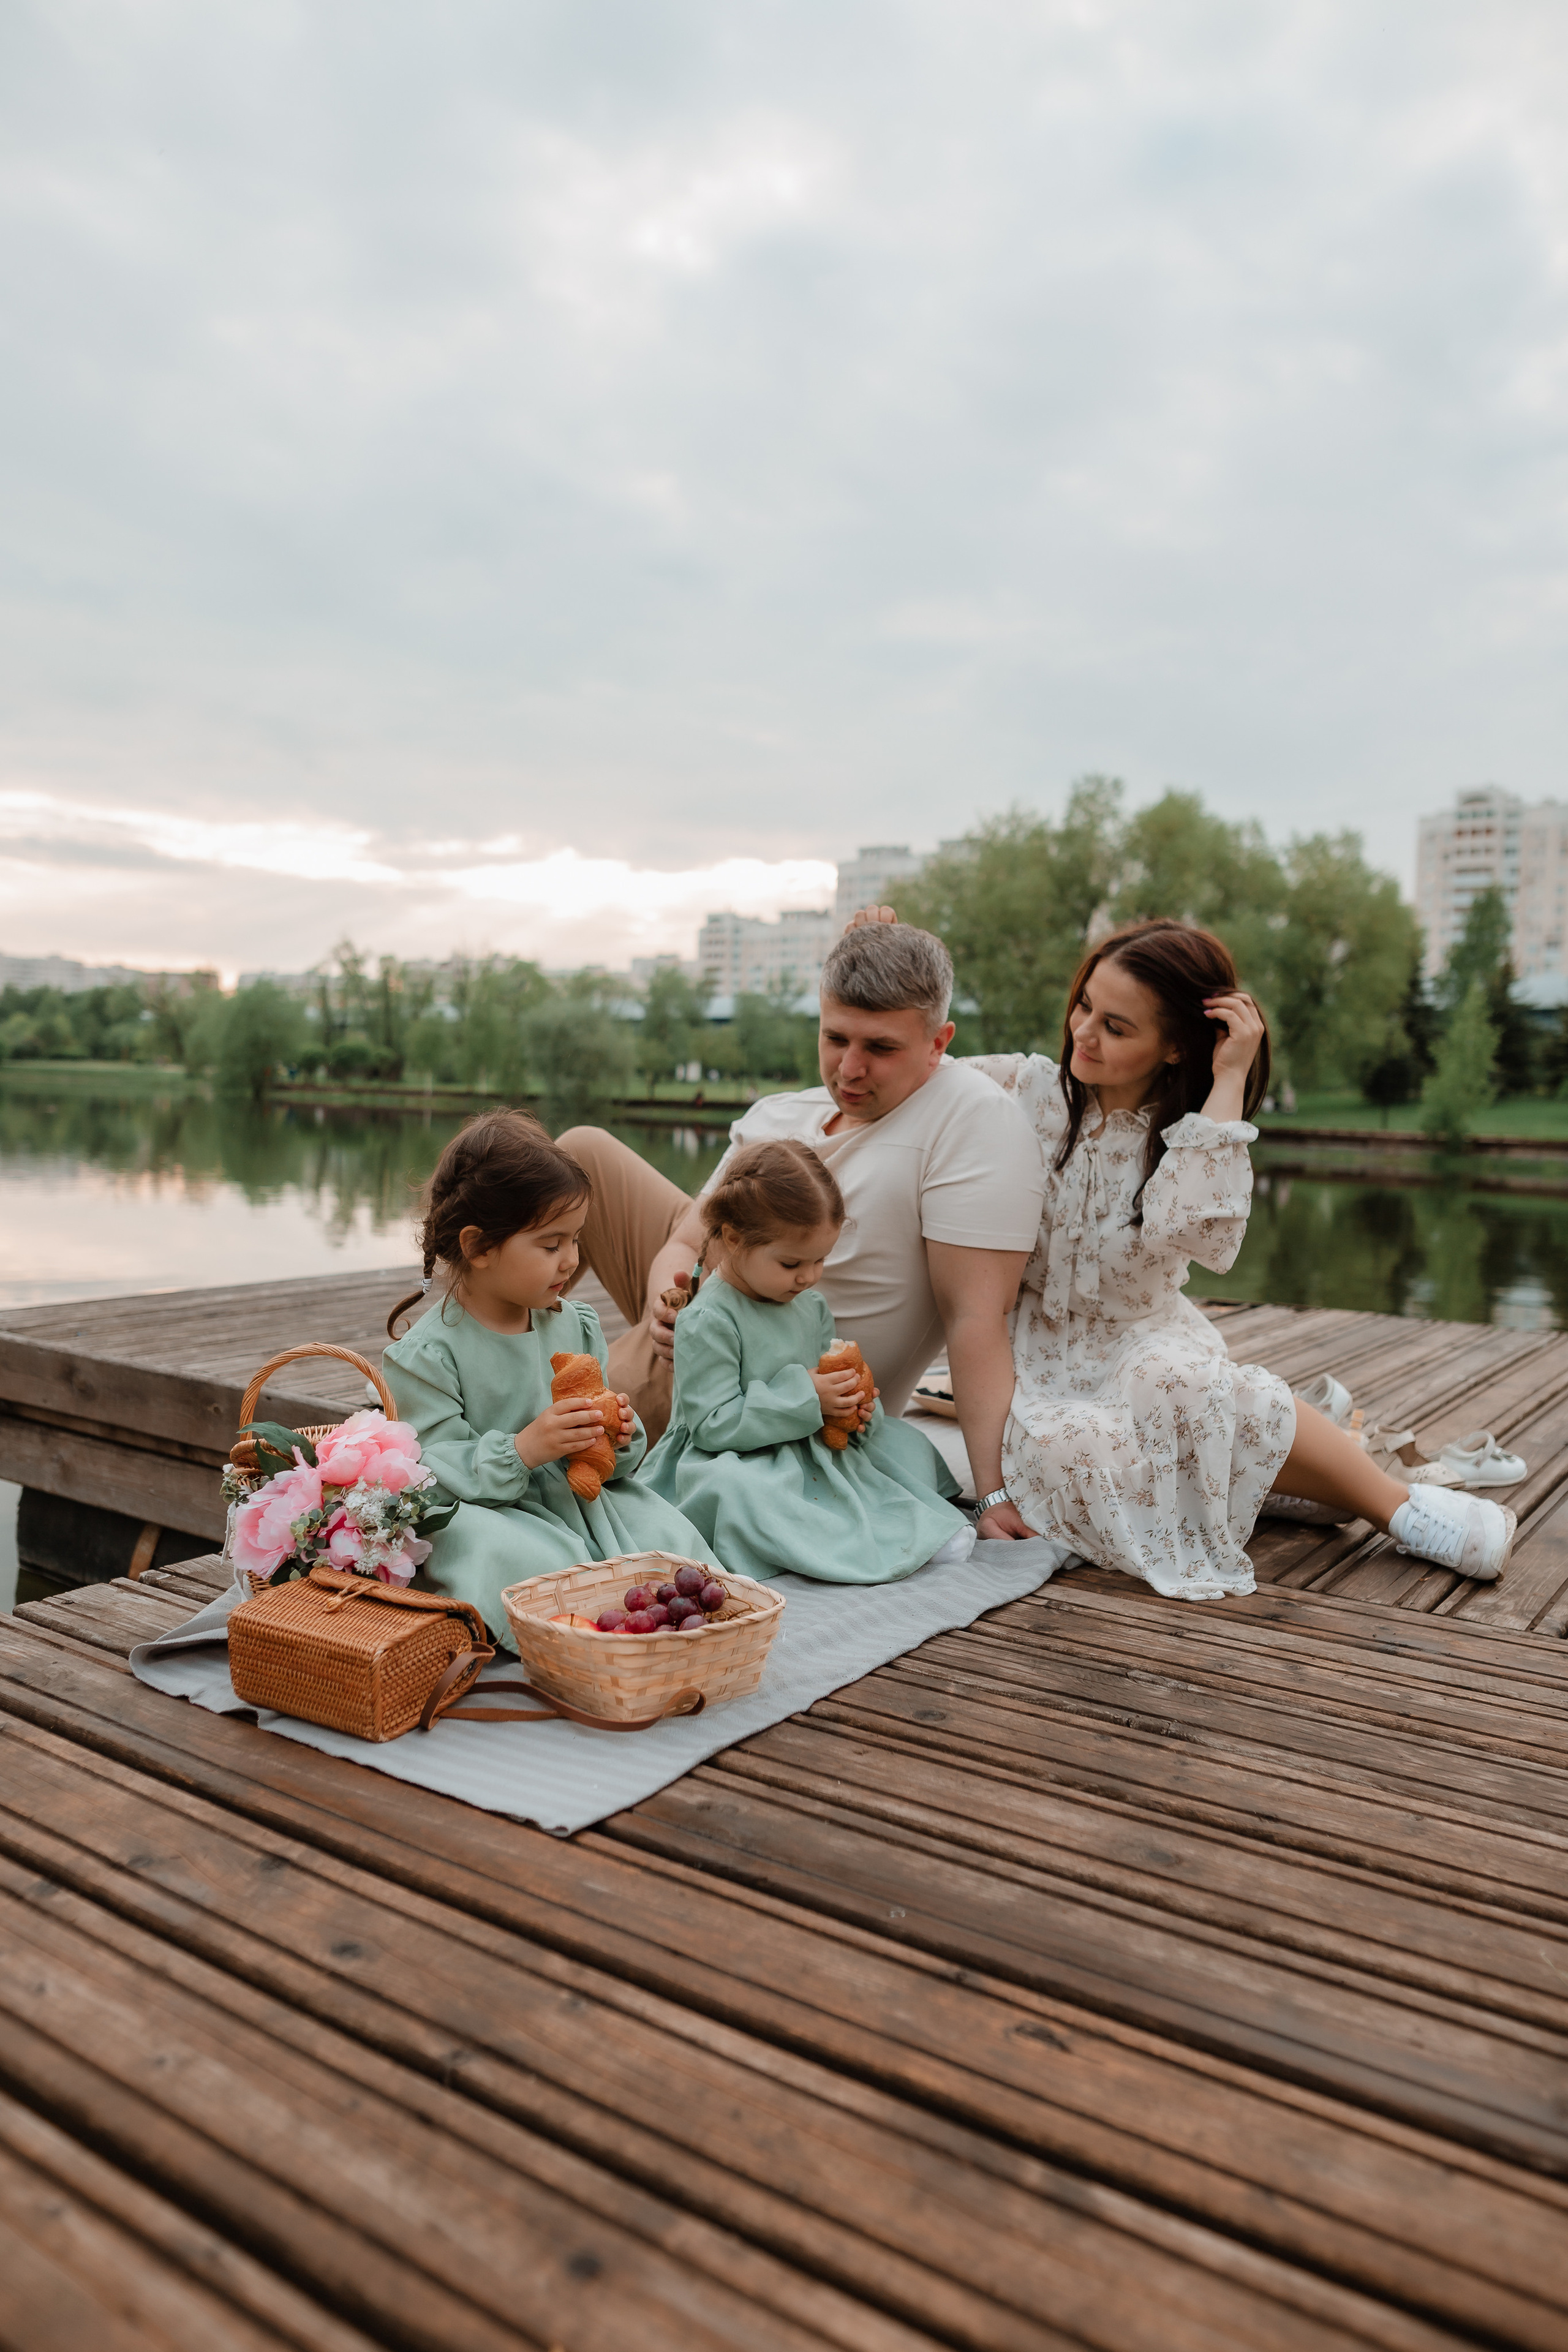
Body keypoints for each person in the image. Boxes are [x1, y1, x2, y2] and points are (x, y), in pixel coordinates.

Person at [964, 918, 1515, 1598]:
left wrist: (1228, 1078)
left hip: (1143, 1341)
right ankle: (1263, 1480)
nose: (1083, 1032)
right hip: (1036, 1353)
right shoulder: (1019, 1089)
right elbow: (909, 1066)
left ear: (1172, 1049)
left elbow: (1197, 1235)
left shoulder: (1189, 1135)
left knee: (1187, 1386)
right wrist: (876, 954)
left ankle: (1402, 1511)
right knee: (1068, 1444)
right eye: (1083, 1005)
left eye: (1115, 1026)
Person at [558, 919, 1046, 1537]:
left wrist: (991, 1494)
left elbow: (976, 1317)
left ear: (938, 1043)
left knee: (563, 1441)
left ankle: (519, 1406)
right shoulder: (782, 1114)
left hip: (753, 1382)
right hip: (701, 1320)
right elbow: (686, 1241)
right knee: (580, 1153)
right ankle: (494, 1337)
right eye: (834, 1037)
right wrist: (665, 1300)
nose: (849, 1068)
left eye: (880, 1048)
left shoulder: (968, 1117)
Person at [381, 1110, 720, 1646]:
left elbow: (605, 1464)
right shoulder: (426, 1356)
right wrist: (524, 1449)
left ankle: (652, 1622)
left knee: (664, 1533)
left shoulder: (574, 1325)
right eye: (551, 1245)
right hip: (489, 1509)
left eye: (576, 1240)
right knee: (522, 1559)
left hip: (576, 1497)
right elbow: (431, 1476)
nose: (571, 1260)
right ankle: (564, 1634)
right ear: (479, 1247)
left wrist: (617, 1438)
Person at [641, 1137, 976, 1580]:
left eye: (821, 1260)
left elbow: (825, 1374)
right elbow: (713, 1424)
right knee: (741, 1492)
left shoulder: (809, 1305)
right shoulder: (708, 1319)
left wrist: (849, 1403)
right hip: (733, 1454)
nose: (809, 1275)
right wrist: (808, 1398)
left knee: (901, 1443)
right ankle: (867, 1543)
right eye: (791, 1263)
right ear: (735, 1240)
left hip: (806, 1439)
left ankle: (912, 1528)